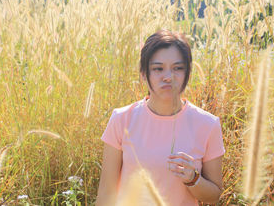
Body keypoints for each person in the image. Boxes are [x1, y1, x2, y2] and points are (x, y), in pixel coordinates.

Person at [95, 30, 225, 205]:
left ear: (188, 73)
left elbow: (214, 196)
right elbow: (106, 193)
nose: (168, 77)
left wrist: (193, 179)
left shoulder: (208, 124)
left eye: (177, 68)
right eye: (158, 69)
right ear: (143, 74)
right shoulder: (121, 119)